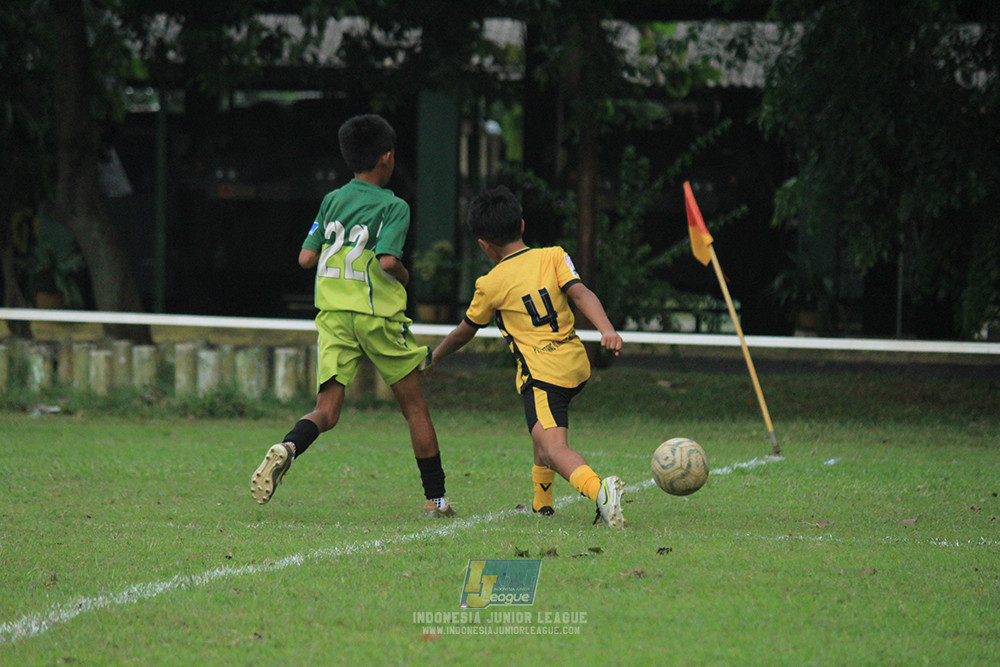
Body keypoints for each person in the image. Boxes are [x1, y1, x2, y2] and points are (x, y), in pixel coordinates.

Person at [251, 114, 455, 518]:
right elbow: (388, 261)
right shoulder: (394, 206)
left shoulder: (332, 200)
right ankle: (436, 501)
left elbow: (305, 257)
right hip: (376, 315)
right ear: (387, 157)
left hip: (333, 315)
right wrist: (405, 275)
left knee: (326, 410)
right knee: (414, 408)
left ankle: (289, 446)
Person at [431, 185, 626, 528]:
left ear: (483, 245)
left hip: (544, 375)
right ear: (521, 225)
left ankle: (600, 492)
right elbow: (581, 293)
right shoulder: (554, 255)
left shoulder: (490, 283)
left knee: (553, 448)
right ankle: (542, 506)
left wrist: (435, 357)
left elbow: (465, 331)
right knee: (540, 433)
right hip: (574, 364)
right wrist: (606, 329)